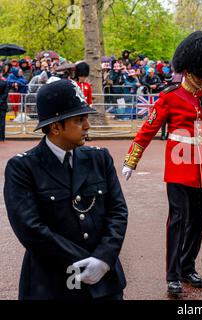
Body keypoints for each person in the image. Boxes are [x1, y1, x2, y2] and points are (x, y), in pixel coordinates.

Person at [122, 31, 202, 296]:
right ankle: (173, 275)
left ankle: (188, 267)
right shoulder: (170, 97)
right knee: (178, 221)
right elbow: (147, 130)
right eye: (199, 73)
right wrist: (132, 160)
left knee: (198, 223)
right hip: (178, 170)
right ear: (188, 70)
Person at [3, 79, 128, 299]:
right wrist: (86, 261)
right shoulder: (23, 167)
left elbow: (118, 211)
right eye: (79, 120)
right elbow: (30, 229)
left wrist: (103, 258)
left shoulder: (100, 158)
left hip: (104, 281)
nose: (87, 126)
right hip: (51, 282)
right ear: (56, 126)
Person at [0, 68, 7, 142]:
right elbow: (5, 95)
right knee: (2, 122)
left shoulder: (4, 83)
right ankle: (2, 137)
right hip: (2, 105)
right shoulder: (5, 83)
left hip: (2, 105)